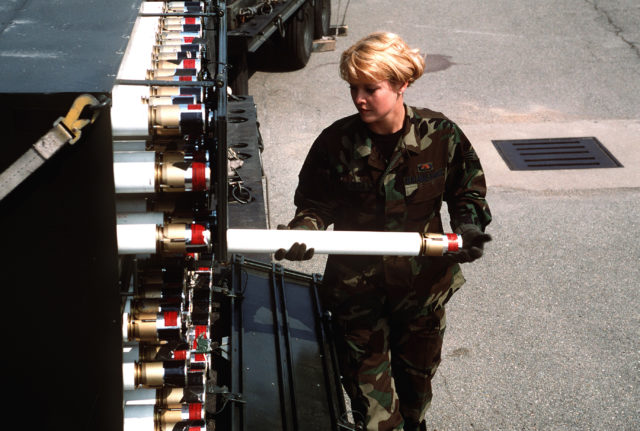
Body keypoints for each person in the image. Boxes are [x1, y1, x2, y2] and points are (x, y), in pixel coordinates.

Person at [275, 32, 492, 431]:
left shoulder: (440, 135)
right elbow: (315, 206)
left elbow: (467, 189)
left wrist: (469, 227)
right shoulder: (336, 142)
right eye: (353, 88)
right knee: (376, 418)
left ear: (400, 84)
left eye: (370, 89)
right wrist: (304, 231)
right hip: (358, 297)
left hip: (422, 294)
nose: (358, 98)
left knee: (416, 398)